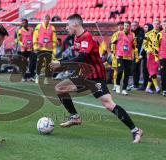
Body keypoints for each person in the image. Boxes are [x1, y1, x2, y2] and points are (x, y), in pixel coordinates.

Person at [49, 13, 143, 143]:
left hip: (95, 76)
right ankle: (75, 116)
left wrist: (60, 64)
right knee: (60, 88)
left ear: (75, 24)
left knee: (108, 104)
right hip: (84, 74)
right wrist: (59, 62)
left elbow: (81, 58)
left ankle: (135, 130)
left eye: (67, 24)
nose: (66, 27)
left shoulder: (86, 36)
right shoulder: (77, 37)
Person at [111, 21, 138, 95]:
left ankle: (124, 89)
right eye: (125, 26)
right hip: (120, 55)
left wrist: (135, 56)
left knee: (127, 73)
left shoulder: (132, 34)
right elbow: (113, 43)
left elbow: (134, 46)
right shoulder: (118, 33)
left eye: (128, 26)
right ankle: (117, 85)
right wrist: (114, 54)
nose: (126, 27)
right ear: (124, 26)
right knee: (119, 71)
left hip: (128, 56)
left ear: (130, 27)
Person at [33, 14, 57, 84]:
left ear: (49, 19)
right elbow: (35, 37)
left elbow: (54, 39)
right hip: (40, 48)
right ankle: (37, 76)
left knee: (48, 65)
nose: (46, 20)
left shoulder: (52, 28)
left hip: (49, 49)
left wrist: (54, 49)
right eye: (45, 18)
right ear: (43, 19)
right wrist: (35, 47)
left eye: (47, 19)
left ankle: (47, 78)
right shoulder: (38, 26)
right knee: (39, 63)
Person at [143, 19, 161, 94]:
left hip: (159, 55)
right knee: (152, 71)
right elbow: (144, 44)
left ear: (159, 25)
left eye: (157, 24)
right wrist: (147, 50)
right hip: (150, 55)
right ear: (153, 24)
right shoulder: (148, 34)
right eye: (155, 24)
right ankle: (157, 87)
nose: (156, 25)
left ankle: (147, 87)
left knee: (154, 71)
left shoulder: (161, 33)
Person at [138, 23, 153, 91]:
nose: (145, 28)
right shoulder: (145, 35)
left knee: (147, 71)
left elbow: (145, 46)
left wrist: (141, 54)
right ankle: (147, 85)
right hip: (145, 56)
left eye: (146, 27)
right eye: (144, 27)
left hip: (149, 56)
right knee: (146, 71)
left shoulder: (150, 35)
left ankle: (146, 85)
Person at [130, 21, 144, 89]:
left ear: (138, 25)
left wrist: (140, 54)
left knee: (135, 68)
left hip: (139, 54)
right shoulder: (130, 32)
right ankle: (135, 83)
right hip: (132, 53)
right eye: (132, 25)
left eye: (135, 25)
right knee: (134, 69)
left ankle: (136, 84)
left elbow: (141, 44)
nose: (134, 27)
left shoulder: (141, 32)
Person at [110, 21, 124, 91]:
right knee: (116, 69)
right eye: (119, 25)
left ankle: (123, 85)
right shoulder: (115, 34)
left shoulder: (127, 34)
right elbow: (112, 44)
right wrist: (113, 53)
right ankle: (115, 85)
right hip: (116, 55)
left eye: (122, 25)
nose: (120, 27)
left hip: (124, 55)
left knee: (123, 70)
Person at [154, 20, 166, 96]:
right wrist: (157, 57)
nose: (165, 26)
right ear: (162, 25)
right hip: (163, 57)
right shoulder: (159, 34)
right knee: (163, 73)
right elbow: (155, 46)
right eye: (164, 24)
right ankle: (164, 90)